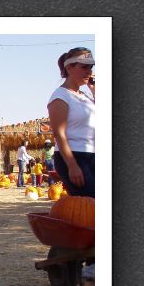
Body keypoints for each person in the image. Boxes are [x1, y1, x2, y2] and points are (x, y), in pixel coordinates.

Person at [47, 47, 95, 198]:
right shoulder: (60, 96)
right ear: (69, 67)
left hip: (92, 154)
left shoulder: (86, 96)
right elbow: (59, 134)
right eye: (84, 67)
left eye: (91, 67)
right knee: (90, 204)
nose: (89, 71)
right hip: (74, 156)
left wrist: (94, 90)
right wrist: (72, 166)